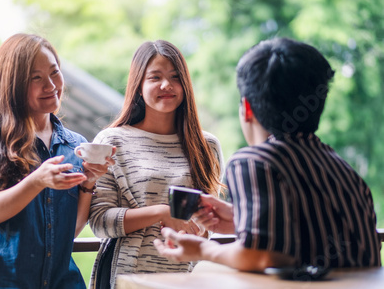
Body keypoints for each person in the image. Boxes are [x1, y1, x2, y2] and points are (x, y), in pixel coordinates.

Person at [155, 37, 382, 271]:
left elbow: (263, 256)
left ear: (247, 108)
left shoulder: (253, 162)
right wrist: (240, 219)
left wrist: (202, 250)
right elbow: (319, 239)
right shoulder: (343, 169)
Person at [0, 33, 115, 288]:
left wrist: (89, 182)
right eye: (35, 78)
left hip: (56, 278)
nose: (50, 85)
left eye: (54, 72)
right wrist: (37, 180)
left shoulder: (74, 145)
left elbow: (67, 232)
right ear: (13, 84)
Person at [88, 39, 225, 288]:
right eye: (155, 77)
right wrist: (164, 212)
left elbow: (207, 227)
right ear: (138, 85)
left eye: (175, 77)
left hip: (184, 278)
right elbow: (99, 222)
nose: (166, 85)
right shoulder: (112, 141)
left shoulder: (207, 146)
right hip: (125, 277)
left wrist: (198, 228)